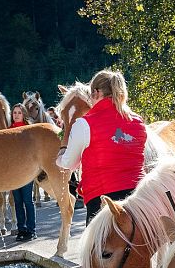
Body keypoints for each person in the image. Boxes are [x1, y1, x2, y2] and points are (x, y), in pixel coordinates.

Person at [56, 69, 147, 225]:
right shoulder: (138, 122)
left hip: (102, 203)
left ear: (97, 93)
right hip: (138, 200)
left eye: (92, 94)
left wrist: (60, 156)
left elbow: (68, 163)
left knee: (96, 249)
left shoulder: (85, 124)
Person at [10, 104, 37, 241]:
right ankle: (21, 229)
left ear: (23, 114)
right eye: (14, 112)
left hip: (27, 171)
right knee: (18, 201)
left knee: (28, 201)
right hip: (13, 172)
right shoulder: (8, 131)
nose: (16, 115)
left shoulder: (28, 130)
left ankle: (31, 230)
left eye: (19, 112)